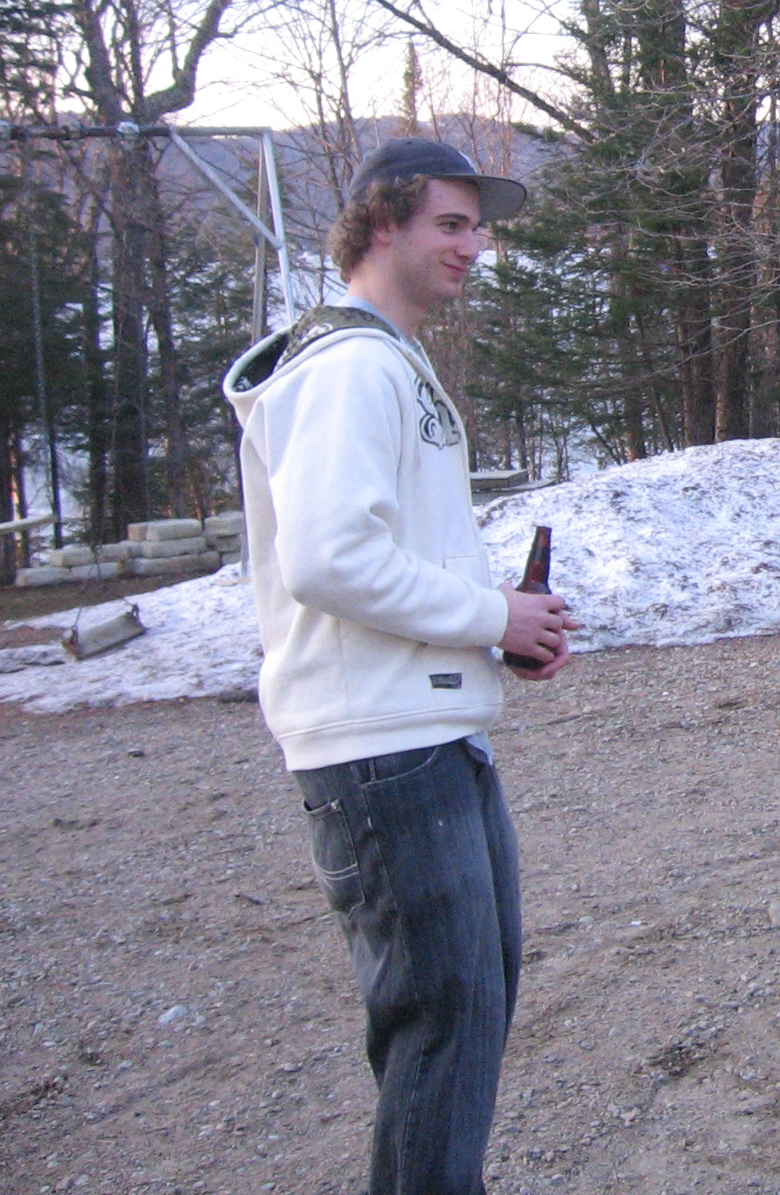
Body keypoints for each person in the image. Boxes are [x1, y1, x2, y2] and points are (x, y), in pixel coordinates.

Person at [225, 137, 579, 1195]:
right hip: (381, 748)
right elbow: (329, 560)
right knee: (443, 1020)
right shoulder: (349, 367)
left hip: (425, 730)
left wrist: (495, 627)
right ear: (381, 224)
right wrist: (490, 614)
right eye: (450, 224)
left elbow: (385, 549)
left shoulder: (385, 359)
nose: (474, 247)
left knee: (467, 1008)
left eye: (479, 228)